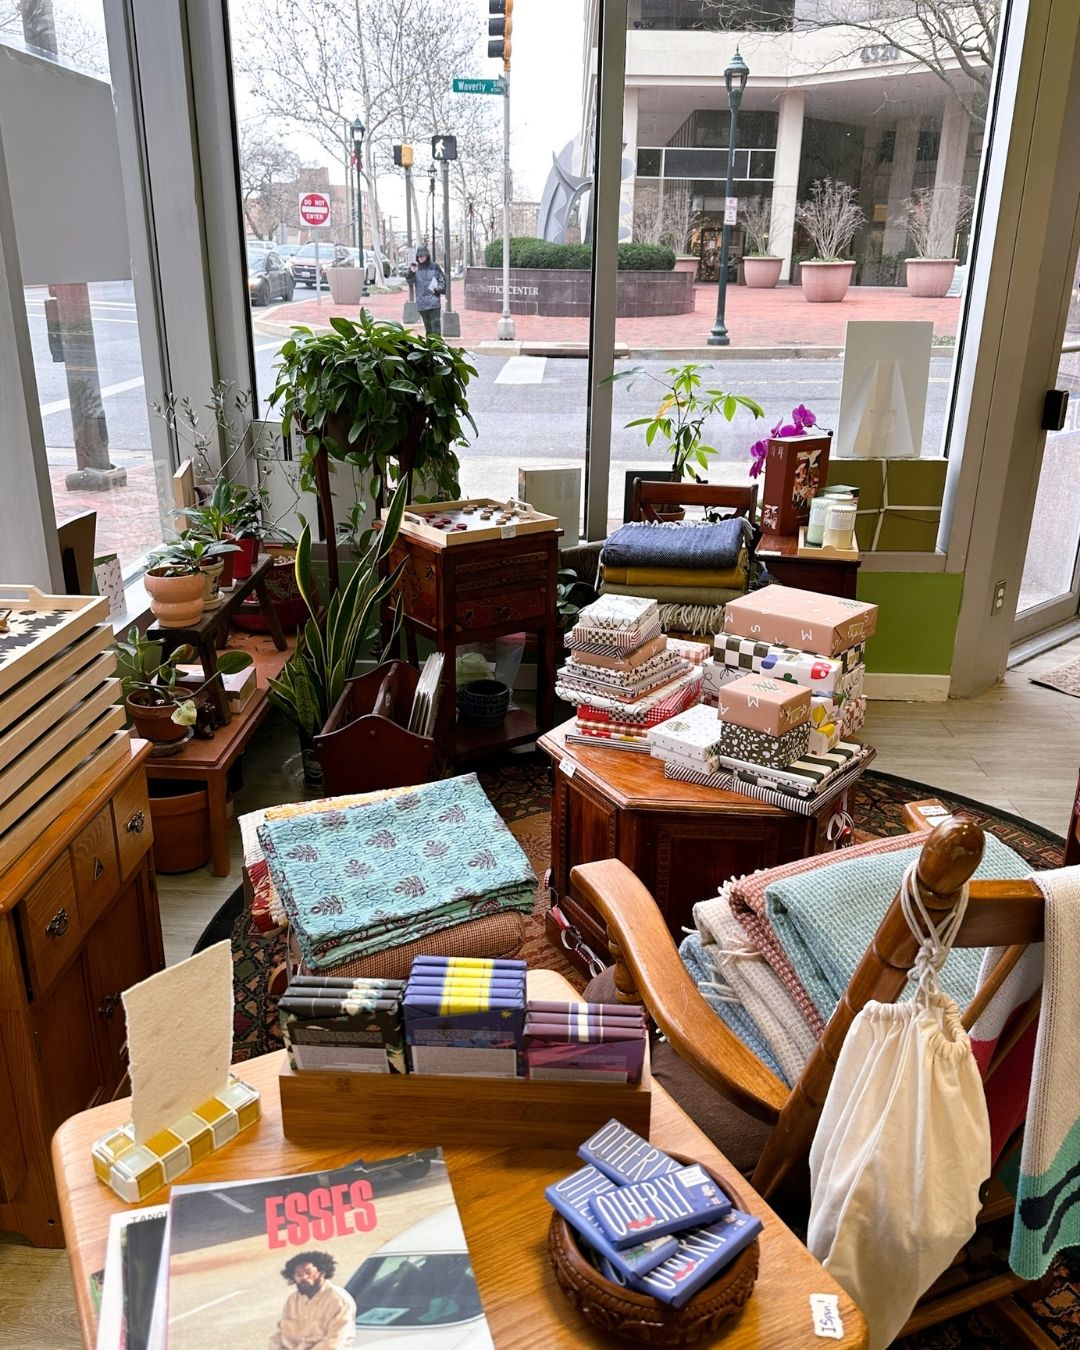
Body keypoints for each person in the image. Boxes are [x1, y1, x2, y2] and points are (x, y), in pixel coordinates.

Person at [269, 1250, 356, 1350]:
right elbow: (279, 1335)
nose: (304, 1277)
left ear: (322, 1272)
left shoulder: (339, 1300)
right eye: (298, 1275)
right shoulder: (292, 1300)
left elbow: (334, 1341)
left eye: (308, 1272)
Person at [409, 245, 446, 336]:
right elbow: (410, 282)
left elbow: (443, 282)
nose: (421, 258)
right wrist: (411, 273)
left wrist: (437, 289)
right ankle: (429, 348)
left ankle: (437, 348)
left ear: (427, 256)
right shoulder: (415, 268)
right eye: (419, 256)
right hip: (422, 303)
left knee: (436, 330)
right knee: (428, 330)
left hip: (434, 303)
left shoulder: (434, 267)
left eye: (423, 256)